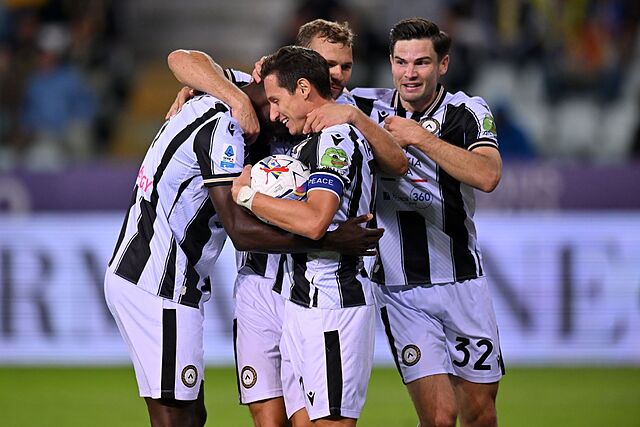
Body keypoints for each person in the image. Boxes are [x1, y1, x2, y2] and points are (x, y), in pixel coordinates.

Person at [104, 54, 384, 426]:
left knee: (190, 413)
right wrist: (332, 240)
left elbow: (191, 62)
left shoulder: (230, 91)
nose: (282, 121)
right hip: (158, 280)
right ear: (270, 91)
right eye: (277, 108)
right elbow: (239, 230)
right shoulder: (224, 126)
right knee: (176, 419)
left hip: (155, 275)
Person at [166, 19, 407, 427]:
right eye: (326, 62)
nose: (336, 75)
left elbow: (397, 163)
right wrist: (233, 99)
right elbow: (181, 59)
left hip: (319, 283)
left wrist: (352, 116)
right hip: (263, 280)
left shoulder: (350, 114)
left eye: (345, 66)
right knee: (270, 416)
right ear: (301, 67)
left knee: (315, 416)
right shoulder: (267, 90)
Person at [307, 17, 504, 427]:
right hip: (401, 291)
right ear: (390, 62)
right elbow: (285, 89)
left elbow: (488, 176)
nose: (409, 74)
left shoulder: (467, 111)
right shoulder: (364, 106)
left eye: (422, 63)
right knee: (439, 417)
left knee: (480, 413)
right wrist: (217, 89)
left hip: (463, 282)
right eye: (401, 62)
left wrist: (420, 137)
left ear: (443, 64)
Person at [231, 45, 377, 426]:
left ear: (303, 89)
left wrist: (248, 196)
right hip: (299, 302)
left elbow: (315, 220)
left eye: (278, 100)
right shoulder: (308, 143)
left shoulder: (336, 139)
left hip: (333, 304)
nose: (274, 113)